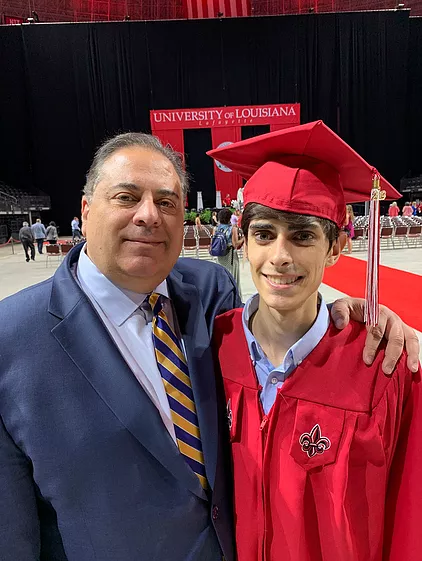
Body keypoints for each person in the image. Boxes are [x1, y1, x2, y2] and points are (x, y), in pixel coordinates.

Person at [0, 132, 418, 561]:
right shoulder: (10, 339)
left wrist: (356, 316)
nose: (148, 215)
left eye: (166, 202)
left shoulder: (210, 299)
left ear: (337, 247)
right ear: (85, 211)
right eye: (126, 197)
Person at [209, 121, 422, 561]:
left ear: (335, 248)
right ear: (243, 242)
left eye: (303, 235)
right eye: (264, 234)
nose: (281, 256)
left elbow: (410, 517)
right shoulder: (212, 345)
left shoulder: (383, 366)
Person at [214, 208, 244, 298]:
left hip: (220, 257)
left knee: (222, 279)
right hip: (230, 257)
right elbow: (235, 244)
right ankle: (235, 299)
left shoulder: (216, 229)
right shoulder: (232, 229)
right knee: (233, 279)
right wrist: (244, 238)